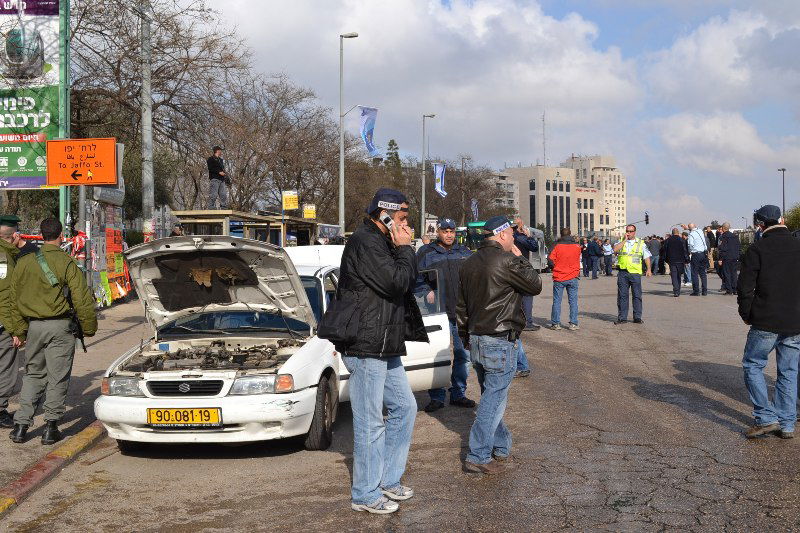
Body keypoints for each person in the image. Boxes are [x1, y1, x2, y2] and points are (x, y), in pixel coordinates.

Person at [317, 188, 426, 514]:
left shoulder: (384, 242)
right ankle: (365, 494)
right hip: (365, 344)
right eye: (402, 218)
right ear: (385, 214)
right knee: (370, 422)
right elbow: (396, 282)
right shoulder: (366, 242)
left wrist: (401, 248)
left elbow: (406, 282)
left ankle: (388, 480)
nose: (406, 225)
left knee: (405, 408)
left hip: (384, 343)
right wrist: (405, 248)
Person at [457, 216, 541, 474]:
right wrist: (520, 258)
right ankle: (478, 455)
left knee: (492, 397)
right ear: (502, 234)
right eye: (512, 234)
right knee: (493, 399)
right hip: (499, 339)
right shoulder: (507, 260)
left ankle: (500, 445)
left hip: (477, 339)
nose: (514, 238)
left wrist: (465, 337)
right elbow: (535, 285)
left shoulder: (469, 263)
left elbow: (461, 306)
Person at [8, 218, 97, 445]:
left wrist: (20, 330)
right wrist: (89, 327)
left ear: (41, 235)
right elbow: (81, 299)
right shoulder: (66, 262)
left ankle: (21, 426)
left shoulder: (24, 262)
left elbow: (13, 300)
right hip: (60, 326)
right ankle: (50, 427)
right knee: (57, 377)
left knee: (33, 374)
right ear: (61, 235)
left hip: (34, 327)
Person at [738, 205, 800, 439]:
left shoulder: (757, 249)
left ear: (760, 225)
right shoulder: (798, 245)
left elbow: (745, 287)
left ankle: (765, 417)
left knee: (753, 365)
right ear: (782, 220)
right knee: (788, 371)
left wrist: (746, 313)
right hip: (794, 321)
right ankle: (787, 423)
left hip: (765, 320)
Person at [417, 217, 475, 412]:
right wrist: (426, 290)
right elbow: (416, 277)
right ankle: (437, 397)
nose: (449, 235)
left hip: (461, 312)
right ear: (438, 232)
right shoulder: (426, 252)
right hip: (437, 313)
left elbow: (475, 276)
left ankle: (458, 393)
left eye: (452, 231)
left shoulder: (465, 252)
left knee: (463, 355)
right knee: (438, 355)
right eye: (445, 231)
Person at [0, 214, 37, 428]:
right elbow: (5, 297)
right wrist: (16, 330)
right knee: (6, 366)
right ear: (14, 235)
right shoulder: (4, 258)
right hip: (3, 323)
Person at [613, 224, 652, 324]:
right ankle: (622, 317)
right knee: (622, 296)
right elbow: (615, 249)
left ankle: (637, 317)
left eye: (631, 231)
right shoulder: (621, 241)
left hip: (635, 273)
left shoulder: (641, 243)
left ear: (635, 232)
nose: (628, 233)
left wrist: (649, 269)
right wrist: (624, 240)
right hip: (623, 272)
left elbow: (646, 257)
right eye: (627, 231)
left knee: (637, 296)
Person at [547, 228, 581, 330]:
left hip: (559, 276)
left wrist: (555, 267)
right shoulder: (577, 246)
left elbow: (550, 260)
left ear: (561, 235)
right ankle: (573, 323)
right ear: (570, 234)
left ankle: (556, 324)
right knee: (573, 301)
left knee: (557, 301)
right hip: (573, 276)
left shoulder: (556, 246)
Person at [512, 218, 540, 331]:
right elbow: (534, 247)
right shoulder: (520, 237)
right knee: (527, 294)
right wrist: (528, 236)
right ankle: (527, 322)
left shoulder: (507, 237)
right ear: (519, 226)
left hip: (510, 268)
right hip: (522, 268)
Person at [681, 222, 709, 296]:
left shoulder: (691, 234)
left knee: (694, 273)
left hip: (696, 254)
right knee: (703, 273)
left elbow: (690, 245)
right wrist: (688, 228)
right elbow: (693, 229)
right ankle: (704, 291)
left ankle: (696, 291)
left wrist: (690, 252)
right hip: (703, 254)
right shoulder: (700, 231)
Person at [717, 222, 740, 295]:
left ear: (723, 228)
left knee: (727, 274)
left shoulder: (722, 237)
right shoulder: (735, 236)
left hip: (726, 257)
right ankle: (735, 289)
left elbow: (722, 249)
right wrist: (737, 256)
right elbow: (738, 247)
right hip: (734, 257)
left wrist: (720, 259)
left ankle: (729, 290)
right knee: (734, 274)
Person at [664, 228, 689, 297]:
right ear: (678, 233)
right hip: (680, 260)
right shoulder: (682, 240)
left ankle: (676, 290)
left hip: (672, 260)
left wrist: (666, 259)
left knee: (674, 275)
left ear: (672, 233)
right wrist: (687, 259)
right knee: (678, 275)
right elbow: (685, 250)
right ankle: (678, 290)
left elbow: (665, 250)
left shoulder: (668, 240)